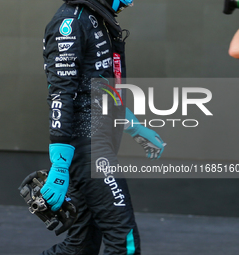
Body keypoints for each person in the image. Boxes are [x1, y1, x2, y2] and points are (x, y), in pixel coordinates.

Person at [41, 0, 166, 254]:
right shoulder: (71, 22)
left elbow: (101, 88)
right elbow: (61, 94)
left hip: (96, 142)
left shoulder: (97, 17)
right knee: (124, 241)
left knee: (80, 248)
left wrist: (134, 127)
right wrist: (61, 164)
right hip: (87, 147)